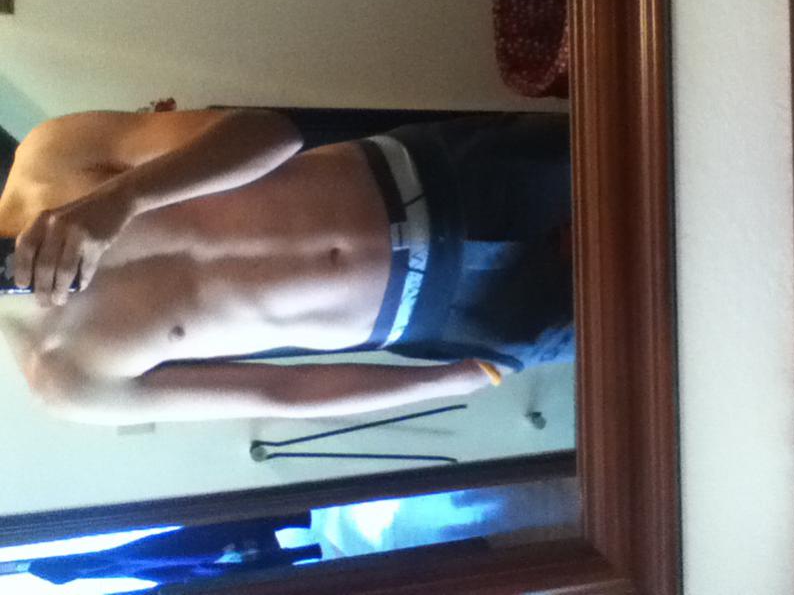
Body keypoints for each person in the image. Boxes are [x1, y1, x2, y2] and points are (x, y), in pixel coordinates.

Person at [0, 106, 573, 426]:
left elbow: (272, 134)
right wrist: (449, 379)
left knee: (630, 152)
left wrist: (124, 198)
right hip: (464, 314)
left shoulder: (50, 157)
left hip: (453, 175)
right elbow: (280, 392)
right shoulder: (64, 378)